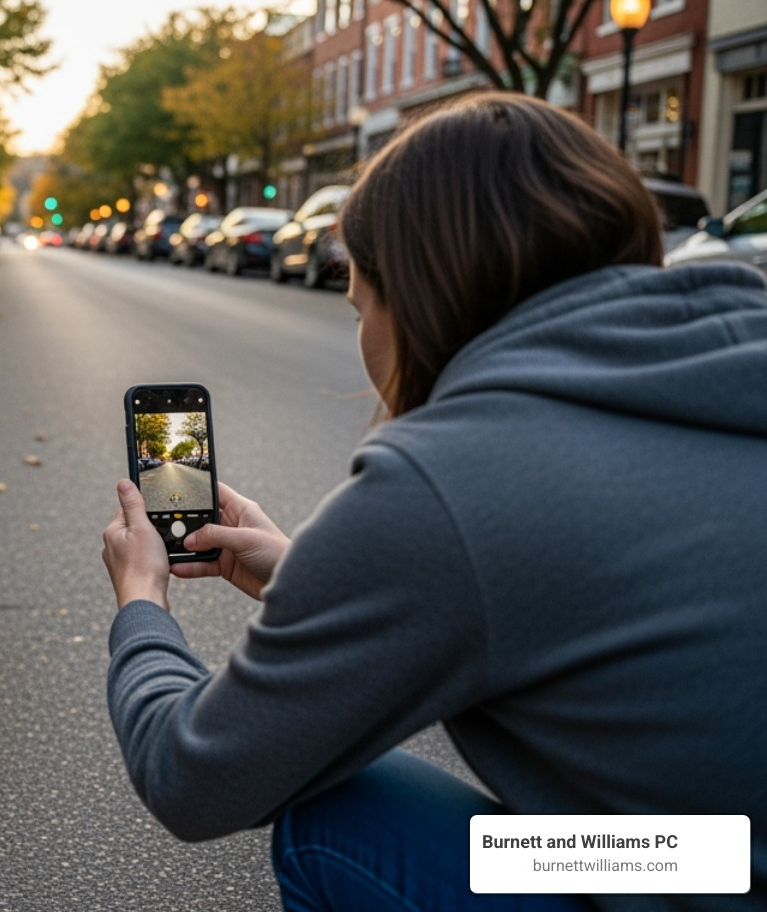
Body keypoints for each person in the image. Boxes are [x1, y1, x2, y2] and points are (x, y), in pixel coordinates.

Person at [101, 94, 767, 911]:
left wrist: (142, 601)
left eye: (359, 306)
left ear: (410, 299)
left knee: (336, 817)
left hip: (698, 875)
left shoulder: (451, 479)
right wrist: (310, 576)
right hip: (719, 854)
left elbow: (191, 778)